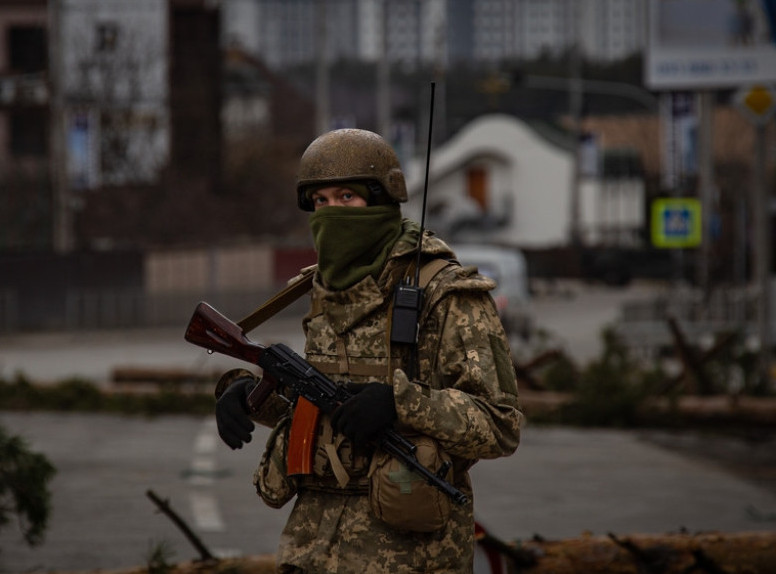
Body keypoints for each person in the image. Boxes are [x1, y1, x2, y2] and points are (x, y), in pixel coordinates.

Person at [215, 128, 523, 573]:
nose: (331, 212)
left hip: (409, 557)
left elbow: (500, 424)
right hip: (312, 550)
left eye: (346, 198)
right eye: (320, 202)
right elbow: (319, 413)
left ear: (382, 200)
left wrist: (401, 405)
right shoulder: (320, 289)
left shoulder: (444, 291)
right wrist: (246, 395)